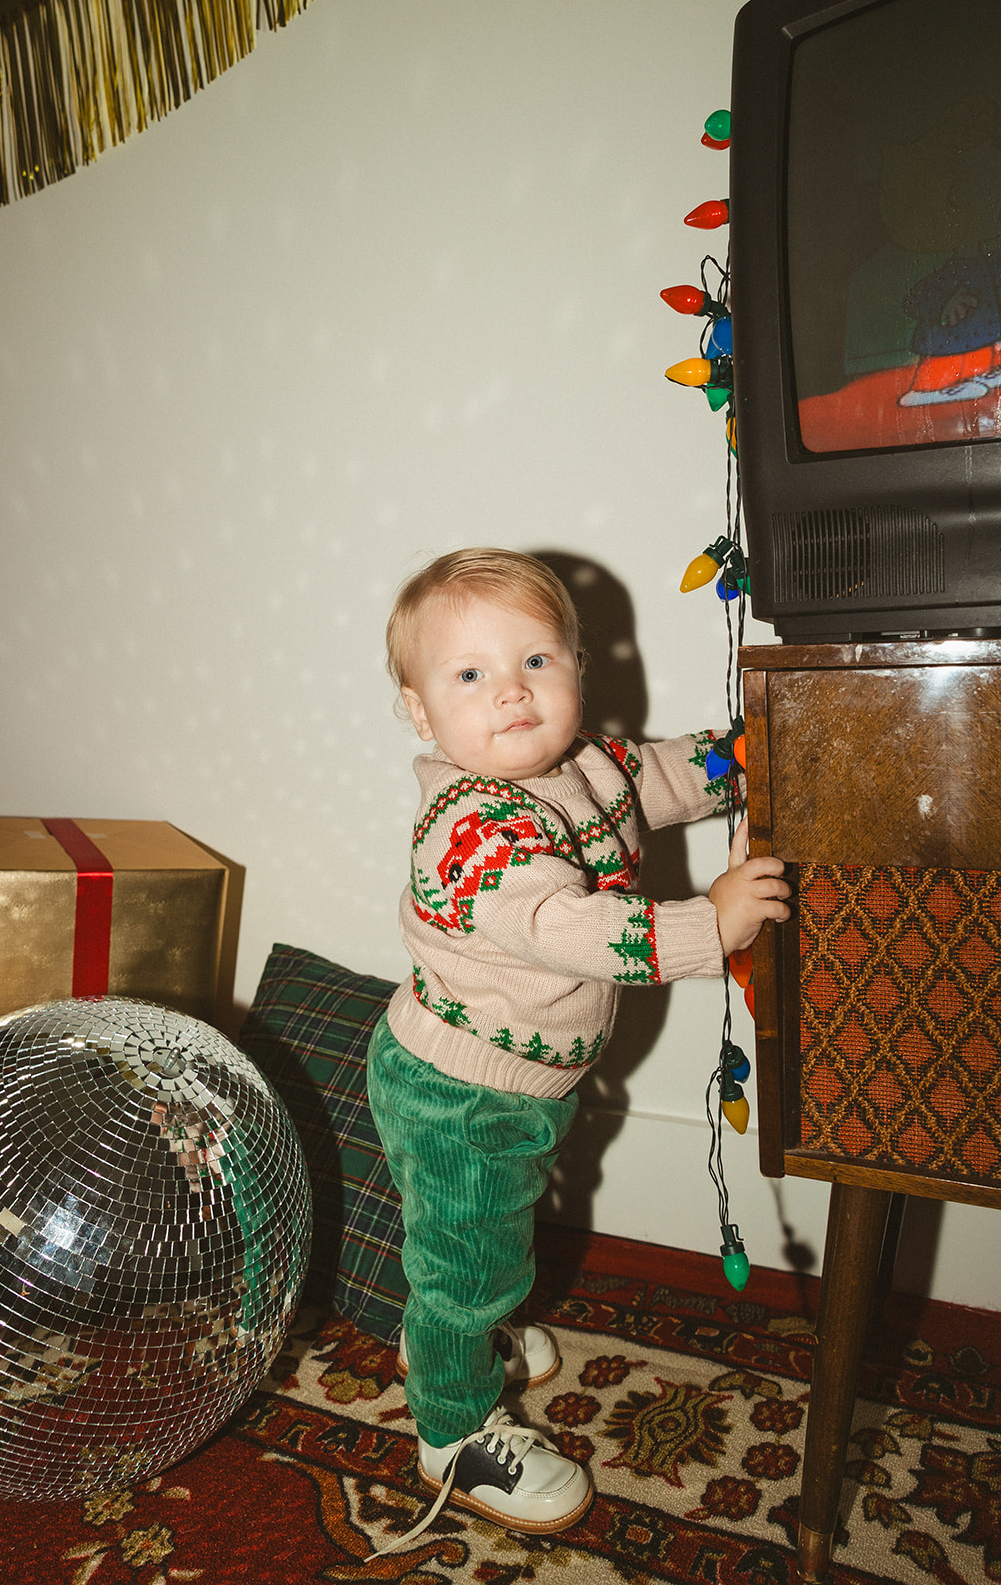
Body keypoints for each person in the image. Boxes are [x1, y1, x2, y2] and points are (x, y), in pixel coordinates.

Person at [367, 547, 790, 1548]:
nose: (510, 691)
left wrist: (748, 752)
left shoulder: (585, 765)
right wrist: (708, 924)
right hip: (456, 1089)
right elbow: (571, 928)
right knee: (465, 1251)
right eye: (469, 675)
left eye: (536, 661)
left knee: (483, 1232)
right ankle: (451, 1428)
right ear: (421, 713)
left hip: (519, 1079)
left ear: (576, 672)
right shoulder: (469, 831)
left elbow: (669, 771)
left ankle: (461, 1325)